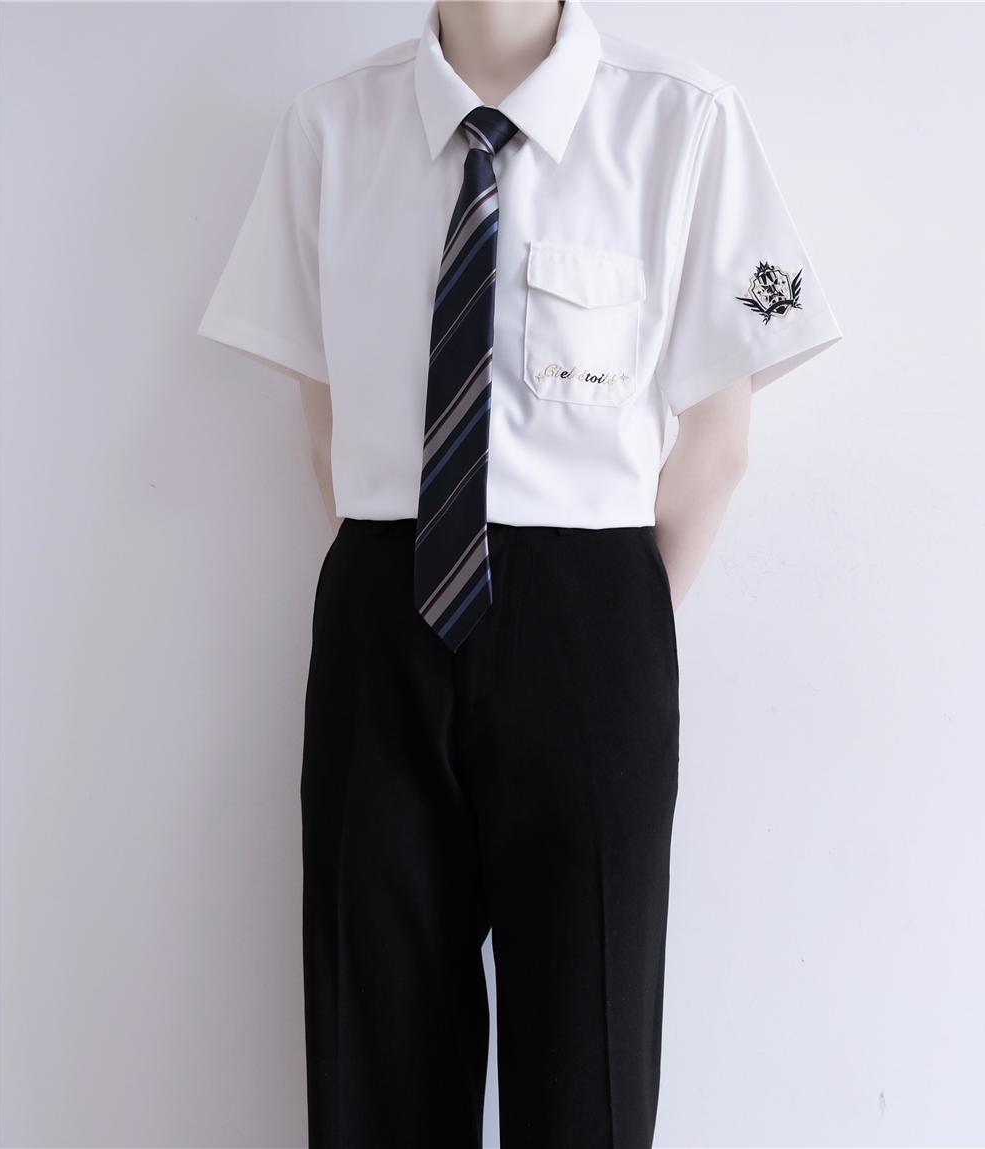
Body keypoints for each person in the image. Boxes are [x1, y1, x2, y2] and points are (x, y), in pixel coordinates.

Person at [198, 2, 840, 1145]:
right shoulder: (332, 129)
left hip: (591, 616)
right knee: (375, 1052)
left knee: (587, 1059)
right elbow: (323, 424)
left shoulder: (681, 122)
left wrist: (607, 630)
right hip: (383, 609)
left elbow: (718, 445)